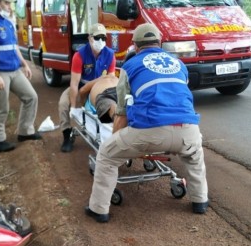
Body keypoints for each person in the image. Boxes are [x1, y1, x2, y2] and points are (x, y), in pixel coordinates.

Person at [85, 23, 209, 223]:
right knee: (195, 157)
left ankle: (99, 209)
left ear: (134, 45)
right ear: (159, 42)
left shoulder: (130, 66)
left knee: (106, 156)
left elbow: (123, 110)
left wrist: (116, 141)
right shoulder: (180, 65)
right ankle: (200, 201)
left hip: (150, 130)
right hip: (188, 129)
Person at [0, 0, 41, 153]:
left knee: (31, 97)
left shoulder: (8, 22)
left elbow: (14, 47)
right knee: (1, 107)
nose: (9, 7)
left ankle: (25, 132)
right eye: (6, 3)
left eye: (11, 3)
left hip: (14, 70)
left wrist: (24, 64)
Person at [58, 23, 116, 152]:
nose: (100, 41)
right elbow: (74, 84)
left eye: (103, 38)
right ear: (89, 38)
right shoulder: (79, 56)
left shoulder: (110, 55)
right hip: (81, 86)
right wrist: (73, 107)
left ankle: (110, 134)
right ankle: (67, 136)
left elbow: (110, 80)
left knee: (109, 106)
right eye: (97, 38)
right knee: (63, 104)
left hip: (100, 89)